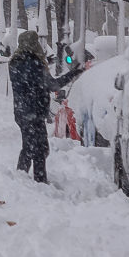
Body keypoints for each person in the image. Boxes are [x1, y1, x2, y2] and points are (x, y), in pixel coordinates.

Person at [7, 31, 77, 184]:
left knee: (29, 146)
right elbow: (53, 85)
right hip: (34, 113)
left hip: (22, 112)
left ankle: (21, 177)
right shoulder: (34, 63)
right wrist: (74, 73)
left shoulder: (14, 63)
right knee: (39, 149)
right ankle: (38, 181)